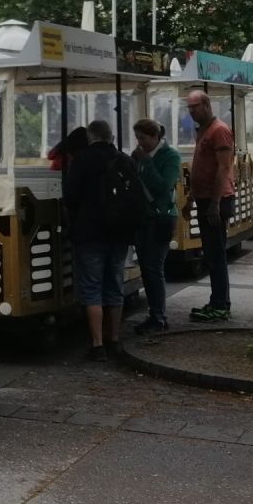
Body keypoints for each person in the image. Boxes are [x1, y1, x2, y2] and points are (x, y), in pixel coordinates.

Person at [63, 120, 142, 360]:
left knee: (92, 288)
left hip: (90, 234)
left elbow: (71, 196)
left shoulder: (82, 161)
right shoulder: (125, 160)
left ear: (91, 136)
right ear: (111, 136)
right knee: (114, 285)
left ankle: (97, 345)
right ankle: (114, 340)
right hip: (119, 235)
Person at [186, 90, 235, 322]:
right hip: (205, 199)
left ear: (206, 105)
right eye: (189, 107)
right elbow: (200, 169)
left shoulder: (219, 131)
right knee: (212, 254)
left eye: (194, 106)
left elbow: (223, 168)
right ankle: (218, 301)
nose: (191, 111)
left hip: (217, 200)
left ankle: (220, 304)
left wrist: (215, 203)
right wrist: (191, 198)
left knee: (216, 254)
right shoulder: (204, 131)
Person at [130, 119, 181, 335]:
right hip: (142, 218)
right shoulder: (141, 156)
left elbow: (163, 186)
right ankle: (154, 314)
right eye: (138, 138)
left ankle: (159, 316)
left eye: (143, 138)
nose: (140, 143)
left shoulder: (170, 156)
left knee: (154, 268)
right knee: (146, 269)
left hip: (160, 218)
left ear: (155, 137)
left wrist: (146, 163)